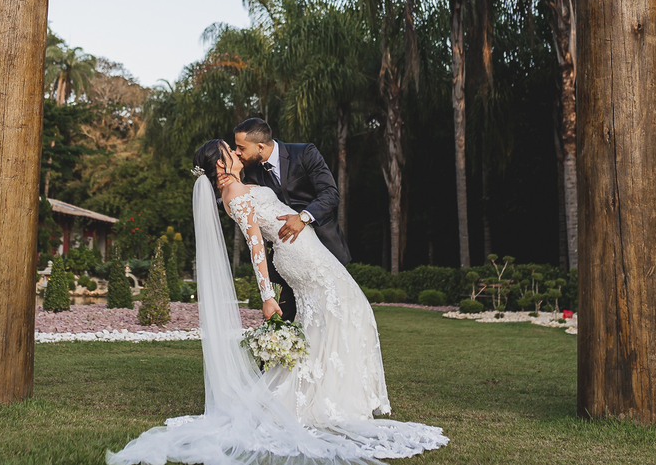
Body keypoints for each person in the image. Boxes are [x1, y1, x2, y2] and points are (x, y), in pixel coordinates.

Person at [107, 140, 448, 465]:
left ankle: (328, 399)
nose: (237, 152)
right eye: (230, 150)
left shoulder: (235, 189)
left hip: (303, 252)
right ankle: (328, 402)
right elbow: (256, 246)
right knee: (352, 310)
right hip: (301, 256)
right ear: (221, 163)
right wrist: (267, 297)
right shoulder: (236, 195)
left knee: (326, 321)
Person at [233, 117, 350, 321]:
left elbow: (330, 193)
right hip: (285, 257)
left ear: (260, 146)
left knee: (331, 316)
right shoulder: (250, 171)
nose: (237, 152)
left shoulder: (304, 153)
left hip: (323, 247)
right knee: (285, 318)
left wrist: (303, 217)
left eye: (241, 147)